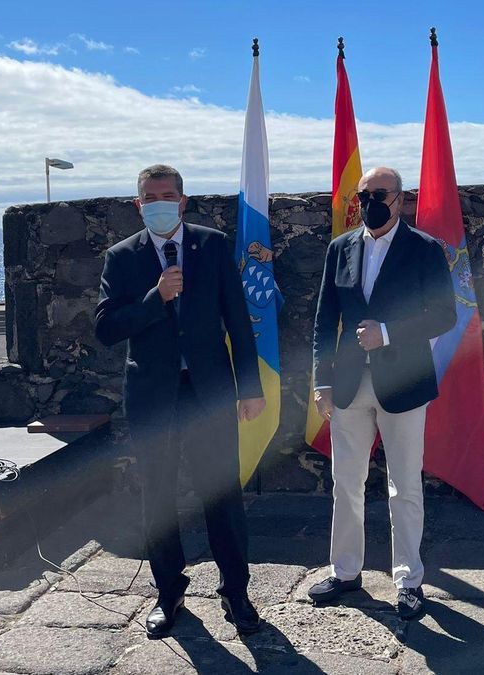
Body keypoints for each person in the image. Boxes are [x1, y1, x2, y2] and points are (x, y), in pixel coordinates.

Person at [95, 164, 266, 638]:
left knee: (222, 493)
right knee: (159, 497)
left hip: (208, 392)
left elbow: (237, 319)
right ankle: (168, 592)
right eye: (150, 197)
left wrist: (249, 388)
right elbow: (107, 329)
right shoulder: (121, 257)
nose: (159, 202)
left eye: (167, 194)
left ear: (183, 200)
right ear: (138, 205)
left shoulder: (211, 246)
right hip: (153, 396)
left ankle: (237, 592)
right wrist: (155, 298)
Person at [308, 166, 456, 620]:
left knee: (405, 485)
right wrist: (321, 380)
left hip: (404, 382)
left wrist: (388, 332)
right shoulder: (341, 248)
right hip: (349, 385)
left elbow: (444, 315)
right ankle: (346, 571)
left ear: (400, 198)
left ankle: (409, 580)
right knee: (345, 483)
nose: (371, 201)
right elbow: (322, 319)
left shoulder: (425, 250)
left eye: (380, 193)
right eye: (364, 194)